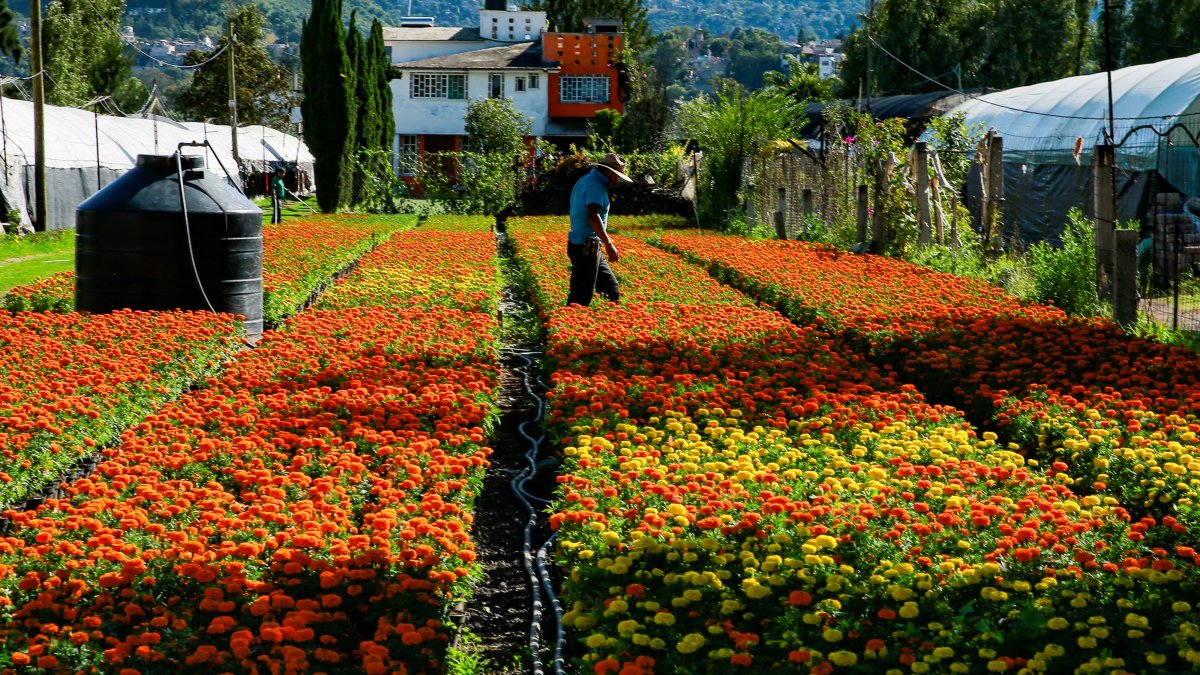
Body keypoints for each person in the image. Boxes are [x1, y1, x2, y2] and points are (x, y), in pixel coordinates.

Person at [567, 153, 632, 306]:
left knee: (611, 288)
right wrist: (609, 244)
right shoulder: (596, 185)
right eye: (617, 176)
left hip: (588, 246)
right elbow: (593, 216)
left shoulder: (585, 180)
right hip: (586, 247)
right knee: (580, 297)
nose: (617, 181)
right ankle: (566, 326)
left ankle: (615, 325)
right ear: (610, 172)